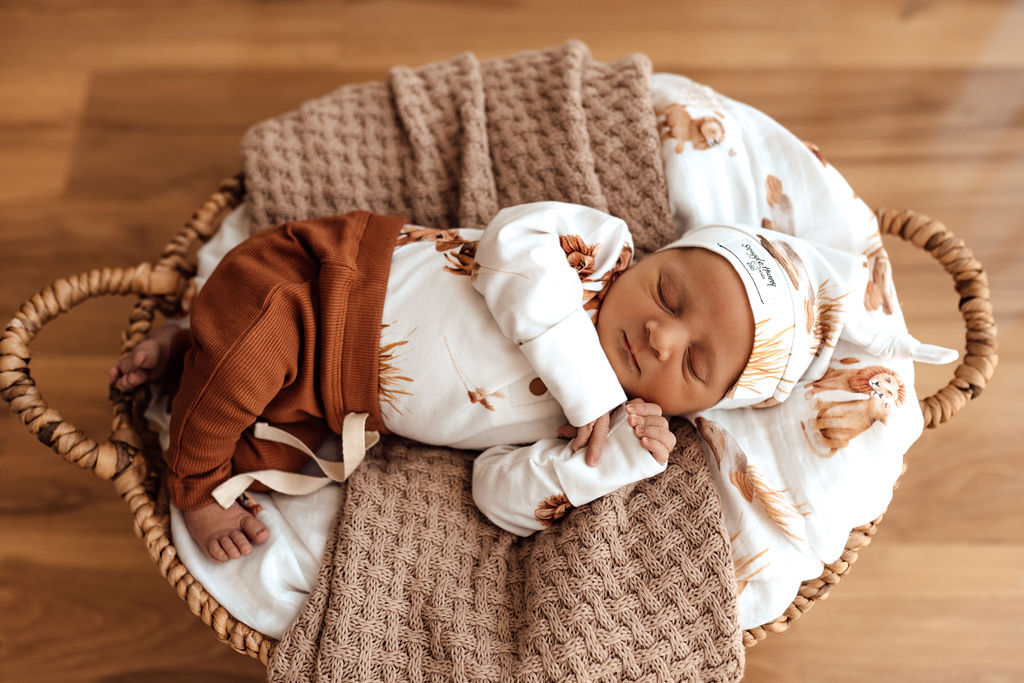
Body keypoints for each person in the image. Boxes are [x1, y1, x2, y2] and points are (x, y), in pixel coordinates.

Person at [111, 201, 826, 562]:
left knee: (264, 460)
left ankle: (187, 345)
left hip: (333, 402)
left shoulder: (604, 428)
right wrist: (588, 388)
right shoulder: (597, 254)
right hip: (321, 288)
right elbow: (508, 246)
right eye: (668, 292)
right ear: (655, 257)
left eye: (694, 364)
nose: (661, 334)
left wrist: (612, 463)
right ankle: (192, 484)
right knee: (243, 359)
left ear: (701, 407)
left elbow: (498, 495)